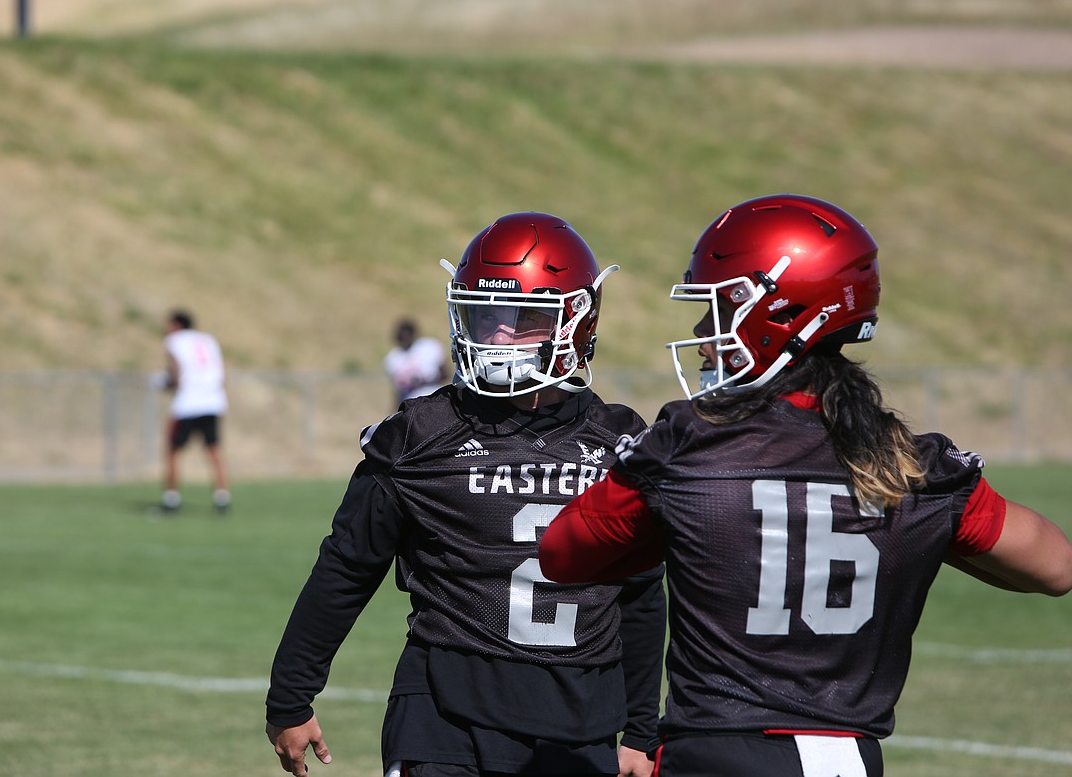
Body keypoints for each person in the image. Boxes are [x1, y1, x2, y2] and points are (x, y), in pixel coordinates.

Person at [538, 194, 1072, 777]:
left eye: (717, 311)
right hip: (849, 761)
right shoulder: (908, 467)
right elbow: (1054, 567)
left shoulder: (690, 451)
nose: (700, 332)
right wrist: (932, 535)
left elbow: (563, 554)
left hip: (715, 754)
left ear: (780, 314)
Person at [265, 212, 666, 777]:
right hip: (444, 717)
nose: (497, 335)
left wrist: (642, 730)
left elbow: (642, 595)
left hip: (581, 723)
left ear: (577, 319)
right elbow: (346, 567)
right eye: (484, 315)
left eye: (521, 318)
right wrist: (290, 696)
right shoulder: (419, 438)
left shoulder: (620, 443)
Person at [158, 309, 231, 515]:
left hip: (187, 403)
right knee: (214, 451)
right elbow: (222, 370)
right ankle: (222, 498)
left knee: (172, 451)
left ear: (176, 325)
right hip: (212, 401)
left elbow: (177, 373)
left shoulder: (174, 341)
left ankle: (171, 499)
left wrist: (166, 383)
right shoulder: (208, 339)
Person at [385, 317, 451, 408]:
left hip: (433, 398)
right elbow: (397, 392)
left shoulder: (430, 347)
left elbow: (446, 374)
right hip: (410, 405)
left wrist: (426, 380)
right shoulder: (392, 358)